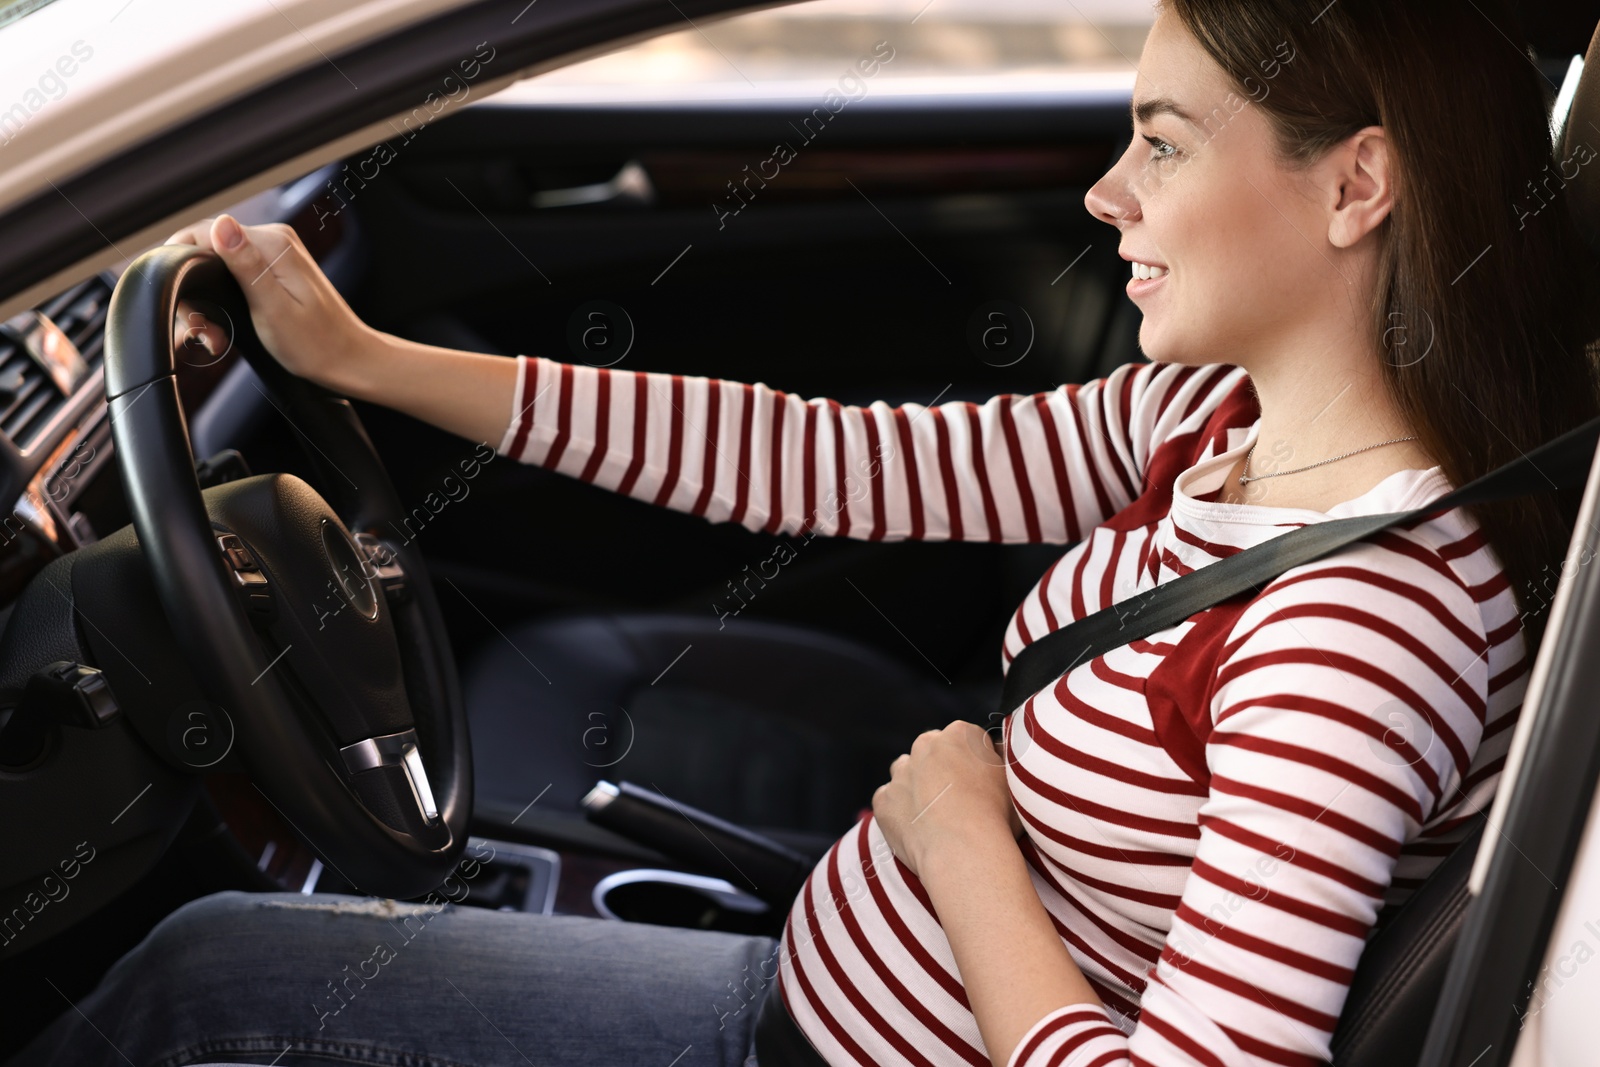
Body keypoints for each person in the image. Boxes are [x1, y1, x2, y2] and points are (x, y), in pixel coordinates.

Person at [13, 0, 1595, 1064]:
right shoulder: (1211, 430)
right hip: (806, 992)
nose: (1106, 196)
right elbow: (820, 462)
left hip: (800, 1039)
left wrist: (966, 843)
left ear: (1356, 190)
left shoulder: (1356, 632)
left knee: (201, 981)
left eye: (1164, 145)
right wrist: (374, 364)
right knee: (215, 964)